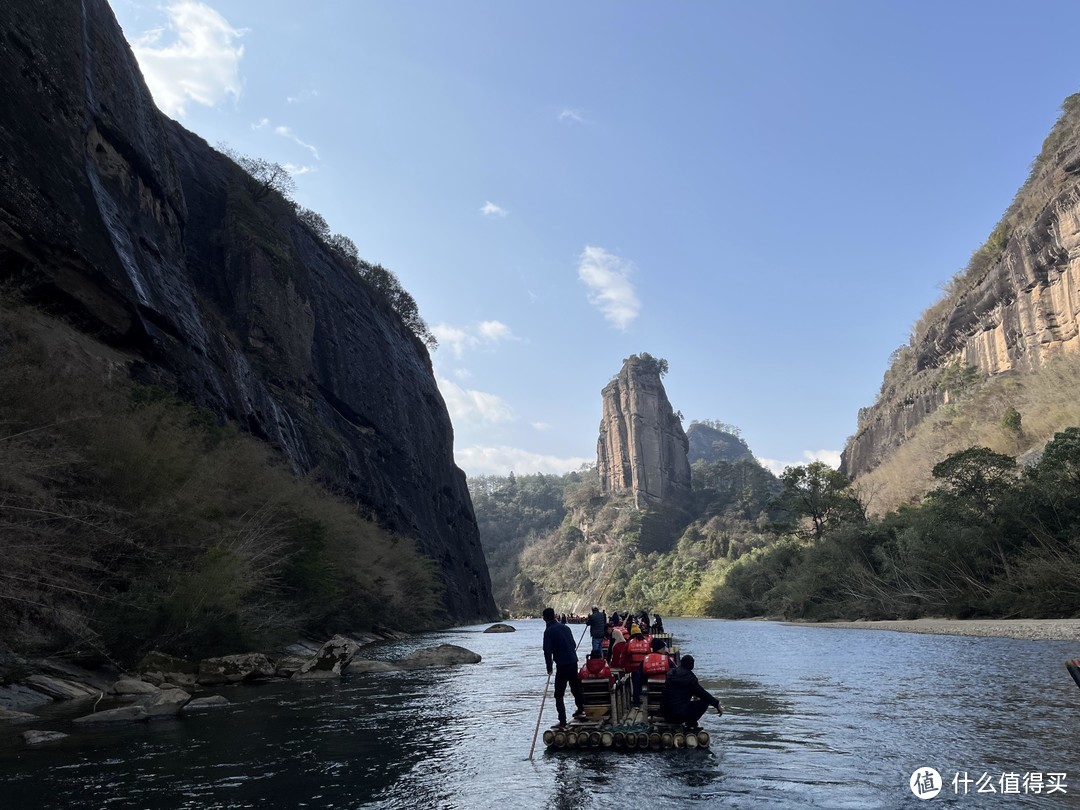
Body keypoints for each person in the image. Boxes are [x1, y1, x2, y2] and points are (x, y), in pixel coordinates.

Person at [543, 606, 586, 729]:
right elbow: (572, 644)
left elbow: (547, 651)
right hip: (573, 661)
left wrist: (549, 667)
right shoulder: (566, 627)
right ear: (555, 615)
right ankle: (581, 709)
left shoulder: (549, 632)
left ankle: (562, 721)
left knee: (559, 694)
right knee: (575, 687)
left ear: (544, 618)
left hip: (562, 665)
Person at [659, 654, 723, 730]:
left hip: (665, 713)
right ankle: (691, 722)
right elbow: (703, 694)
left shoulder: (671, 674)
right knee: (705, 701)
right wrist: (717, 704)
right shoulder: (690, 679)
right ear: (692, 665)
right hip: (678, 716)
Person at [626, 624, 651, 706]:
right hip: (644, 667)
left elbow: (628, 653)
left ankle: (636, 701)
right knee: (641, 682)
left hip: (634, 667)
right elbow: (649, 654)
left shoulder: (630, 642)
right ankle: (642, 696)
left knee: (635, 683)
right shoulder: (646, 642)